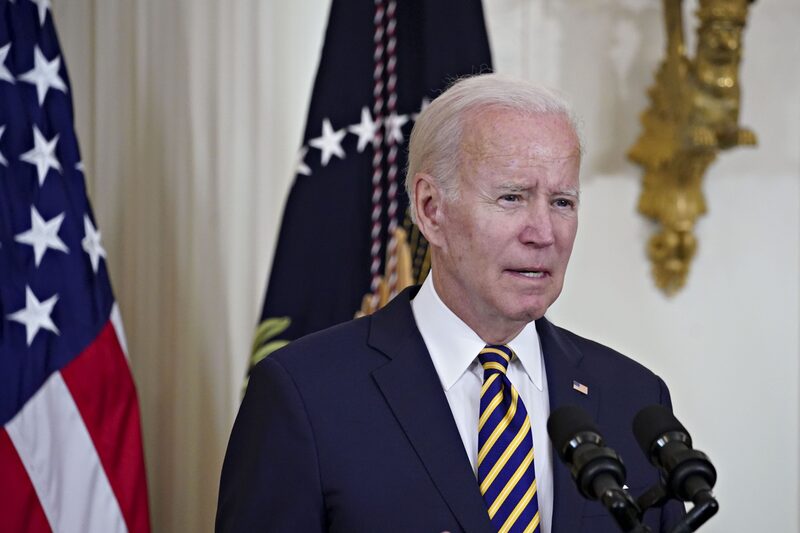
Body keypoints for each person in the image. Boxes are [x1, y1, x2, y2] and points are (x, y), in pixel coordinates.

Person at [216, 74, 685, 533]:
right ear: (430, 209)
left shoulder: (635, 399)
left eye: (562, 202)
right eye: (512, 197)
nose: (544, 233)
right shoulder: (304, 395)